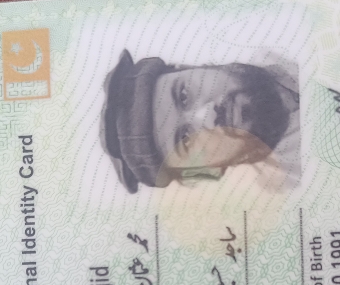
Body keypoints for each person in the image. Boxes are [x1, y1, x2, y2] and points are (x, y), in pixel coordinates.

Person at [101, 49, 300, 192]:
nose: (208, 116)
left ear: (191, 67)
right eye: (186, 139)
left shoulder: (281, 38)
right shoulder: (299, 181)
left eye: (184, 95)